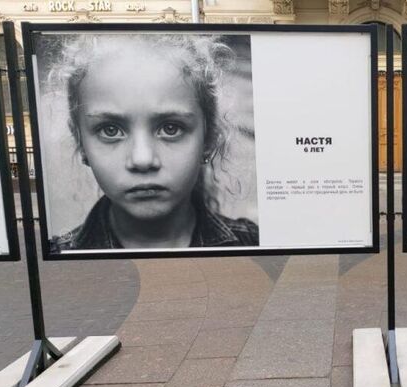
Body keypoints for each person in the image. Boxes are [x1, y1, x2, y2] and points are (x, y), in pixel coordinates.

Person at [46, 34, 259, 251]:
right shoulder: (56, 261)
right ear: (80, 142)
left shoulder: (255, 244)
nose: (142, 159)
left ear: (209, 138)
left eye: (170, 128)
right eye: (110, 130)